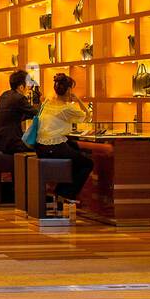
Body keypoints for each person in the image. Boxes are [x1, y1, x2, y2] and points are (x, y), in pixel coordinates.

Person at [34, 72, 94, 206]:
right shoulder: (67, 108)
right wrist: (77, 99)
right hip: (53, 147)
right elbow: (88, 116)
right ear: (68, 90)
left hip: (40, 147)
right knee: (87, 163)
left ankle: (61, 192)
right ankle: (65, 193)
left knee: (75, 151)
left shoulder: (47, 102)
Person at [0, 69, 39, 156]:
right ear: (21, 87)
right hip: (9, 144)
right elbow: (36, 113)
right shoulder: (19, 98)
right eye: (29, 86)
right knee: (38, 148)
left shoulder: (5, 95)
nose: (30, 89)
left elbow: (13, 114)